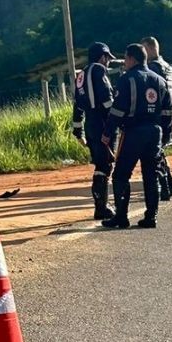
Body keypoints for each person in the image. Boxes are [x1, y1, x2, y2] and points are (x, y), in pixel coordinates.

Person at [101, 43, 172, 229]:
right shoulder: (159, 80)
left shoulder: (127, 79)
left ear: (132, 59)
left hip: (133, 132)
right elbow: (168, 111)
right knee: (151, 175)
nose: (124, 62)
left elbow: (117, 111)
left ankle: (121, 217)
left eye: (125, 58)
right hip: (154, 132)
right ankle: (151, 217)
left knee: (121, 175)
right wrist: (165, 134)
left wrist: (108, 133)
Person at [72, 41, 117, 219]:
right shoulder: (99, 70)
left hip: (90, 124)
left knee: (100, 163)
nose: (108, 62)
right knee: (105, 164)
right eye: (108, 58)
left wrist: (78, 130)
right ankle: (102, 207)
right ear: (102, 57)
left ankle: (101, 205)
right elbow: (107, 100)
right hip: (102, 123)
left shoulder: (81, 75)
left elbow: (77, 106)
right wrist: (116, 121)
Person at [141, 36, 172, 200]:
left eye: (143, 49)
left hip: (156, 115)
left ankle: (164, 186)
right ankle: (169, 185)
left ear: (150, 48)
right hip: (167, 114)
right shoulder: (168, 67)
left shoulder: (153, 68)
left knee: (154, 154)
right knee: (159, 152)